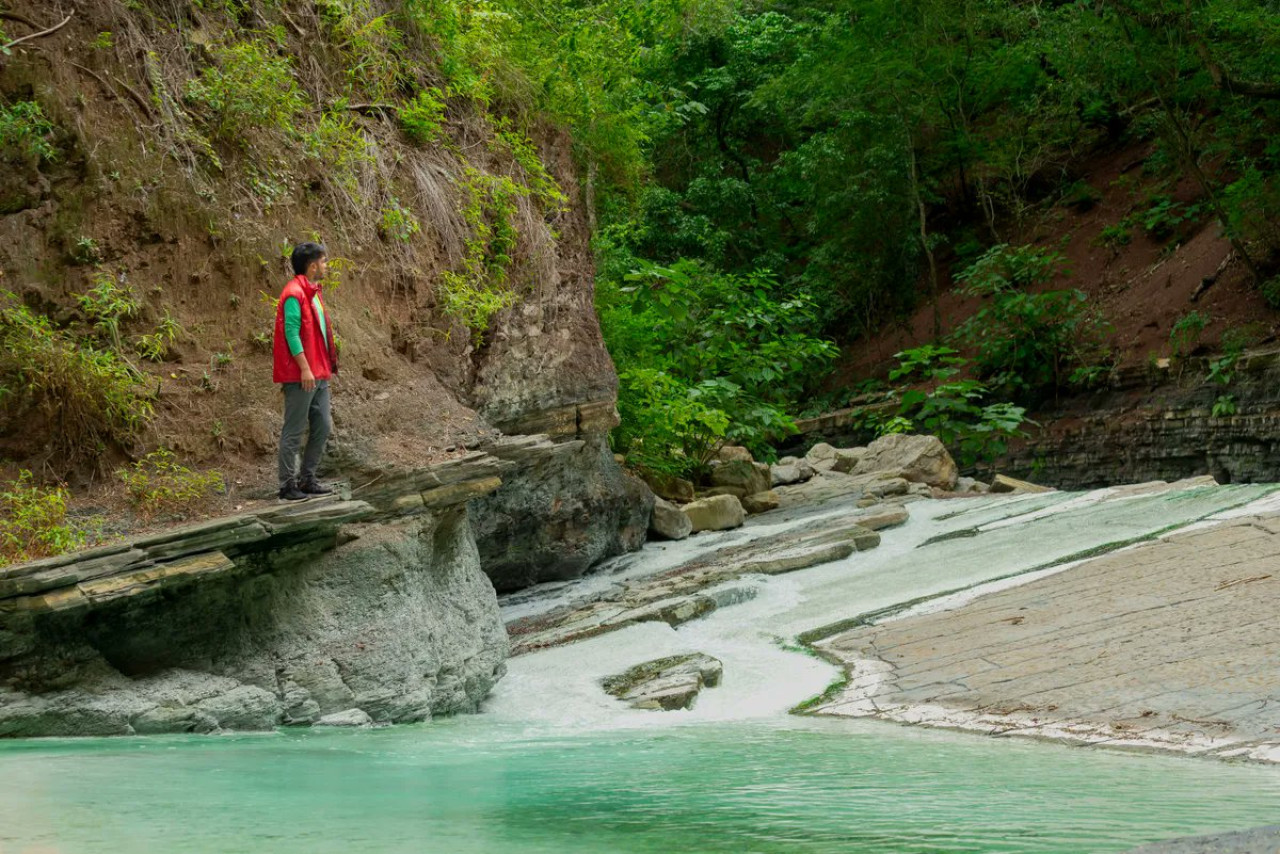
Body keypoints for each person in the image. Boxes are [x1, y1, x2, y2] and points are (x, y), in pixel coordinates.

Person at [273, 241, 338, 501]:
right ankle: (287, 485)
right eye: (324, 261)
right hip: (302, 374)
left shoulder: (313, 291)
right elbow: (291, 332)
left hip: (319, 372)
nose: (326, 266)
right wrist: (305, 369)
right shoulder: (293, 293)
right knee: (294, 429)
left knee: (322, 425)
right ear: (312, 266)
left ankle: (308, 478)